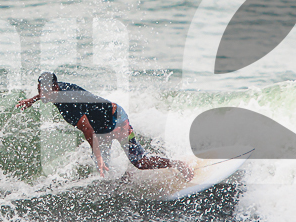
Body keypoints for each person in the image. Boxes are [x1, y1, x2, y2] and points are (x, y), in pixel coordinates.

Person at [16, 72, 194, 179]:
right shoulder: (57, 89)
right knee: (104, 171)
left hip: (117, 120)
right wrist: (32, 100)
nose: (42, 94)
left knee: (139, 162)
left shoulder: (68, 105)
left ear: (55, 87)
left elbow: (87, 130)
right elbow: (45, 94)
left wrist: (98, 154)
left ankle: (177, 164)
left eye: (45, 91)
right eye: (40, 90)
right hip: (102, 126)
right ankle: (127, 178)